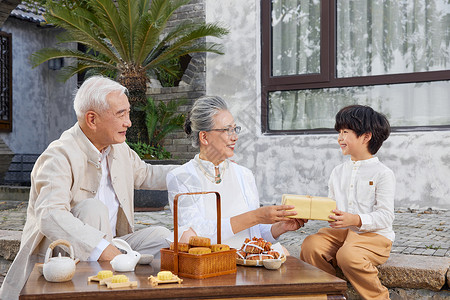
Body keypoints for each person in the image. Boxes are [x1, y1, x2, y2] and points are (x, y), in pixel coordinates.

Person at [0, 76, 176, 300]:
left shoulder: (118, 149)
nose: (129, 122)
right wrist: (100, 247)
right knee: (93, 209)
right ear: (92, 119)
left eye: (128, 113)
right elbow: (50, 214)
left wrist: (195, 170)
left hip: (112, 246)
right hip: (66, 258)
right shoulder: (59, 155)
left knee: (162, 238)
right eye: (121, 114)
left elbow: (147, 174)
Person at [166, 96, 306, 250]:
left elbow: (255, 233)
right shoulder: (181, 177)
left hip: (249, 260)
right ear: (204, 137)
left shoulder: (244, 175)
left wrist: (280, 227)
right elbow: (195, 236)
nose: (235, 137)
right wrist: (256, 216)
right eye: (227, 130)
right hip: (211, 263)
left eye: (235, 129)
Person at [300, 105, 395, 300]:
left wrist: (355, 219)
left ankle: (379, 297)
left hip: (374, 237)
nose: (339, 138)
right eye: (339, 132)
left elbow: (386, 216)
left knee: (348, 256)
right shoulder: (338, 172)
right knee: (311, 245)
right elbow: (331, 206)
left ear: (366, 136)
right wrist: (310, 209)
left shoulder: (383, 174)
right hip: (341, 235)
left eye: (345, 132)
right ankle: (331, 294)